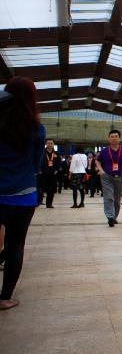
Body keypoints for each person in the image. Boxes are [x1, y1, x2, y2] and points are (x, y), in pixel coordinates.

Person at [0, 77, 44, 310]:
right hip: (23, 195)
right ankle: (5, 297)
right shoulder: (37, 128)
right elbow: (37, 165)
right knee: (16, 244)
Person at [96, 129, 122, 227]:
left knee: (117, 200)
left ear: (119, 138)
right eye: (112, 136)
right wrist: (101, 170)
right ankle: (110, 217)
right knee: (109, 198)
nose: (114, 138)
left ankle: (114, 217)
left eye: (116, 136)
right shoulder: (104, 151)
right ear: (108, 139)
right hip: (107, 177)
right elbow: (97, 161)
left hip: (120, 177)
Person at [37, 138, 60, 208]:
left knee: (51, 190)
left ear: (53, 145)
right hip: (43, 173)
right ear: (46, 144)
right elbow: (37, 161)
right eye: (48, 143)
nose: (50, 144)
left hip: (53, 174)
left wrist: (56, 170)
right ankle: (38, 202)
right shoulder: (41, 152)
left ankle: (49, 204)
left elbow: (59, 163)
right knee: (41, 189)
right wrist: (39, 170)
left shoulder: (56, 154)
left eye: (51, 143)